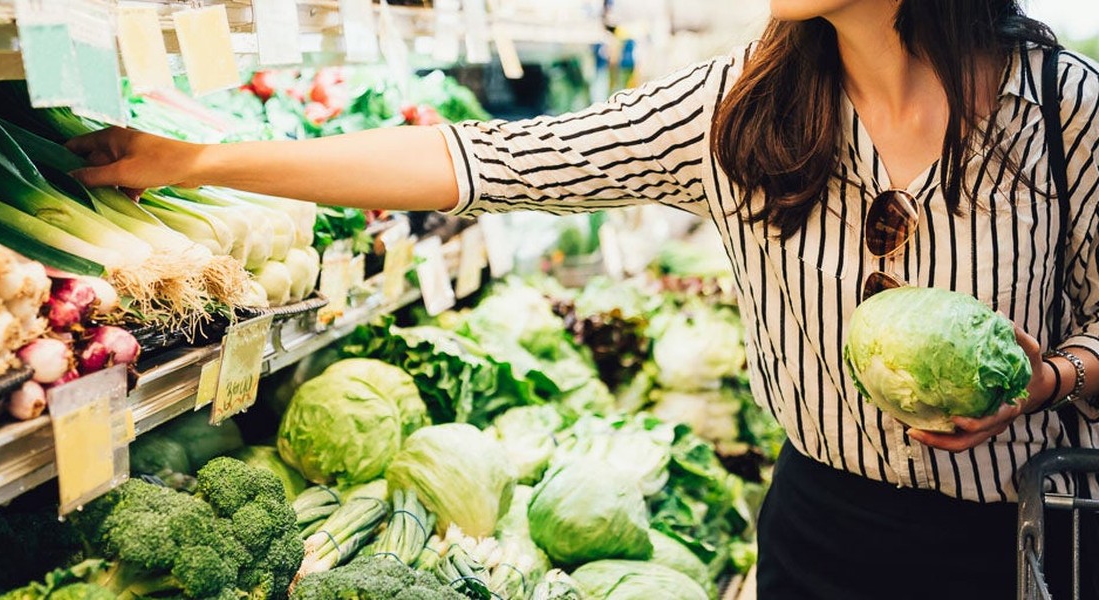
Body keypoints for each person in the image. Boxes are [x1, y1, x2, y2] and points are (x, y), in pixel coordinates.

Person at [66, 1, 1099, 598]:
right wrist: (199, 160)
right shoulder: (741, 107)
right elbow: (487, 158)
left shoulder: (1062, 112)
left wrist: (1049, 375)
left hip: (1015, 545)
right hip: (820, 533)